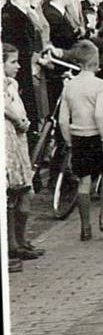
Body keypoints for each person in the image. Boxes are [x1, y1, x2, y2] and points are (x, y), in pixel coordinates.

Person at [58, 41, 103, 241]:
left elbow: (62, 120)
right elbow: (100, 115)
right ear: (95, 60)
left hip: (78, 138)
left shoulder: (69, 86)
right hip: (97, 136)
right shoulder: (101, 85)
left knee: (84, 182)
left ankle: (85, 226)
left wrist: (69, 141)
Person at [5, 43, 38, 267]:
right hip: (7, 140)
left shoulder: (12, 84)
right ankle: (12, 244)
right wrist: (18, 119)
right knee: (12, 194)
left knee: (26, 191)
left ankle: (21, 239)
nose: (18, 66)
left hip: (19, 140)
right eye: (12, 62)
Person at [2, 0, 43, 136]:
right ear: (13, 0)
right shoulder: (12, 17)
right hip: (20, 63)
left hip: (23, 62)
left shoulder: (18, 14)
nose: (27, 2)